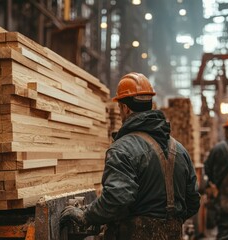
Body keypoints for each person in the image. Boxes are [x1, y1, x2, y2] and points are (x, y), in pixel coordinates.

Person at [60, 72, 200, 239]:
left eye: (119, 108)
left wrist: (86, 216)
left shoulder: (123, 149)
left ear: (125, 108)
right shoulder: (180, 150)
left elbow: (117, 199)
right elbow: (192, 202)